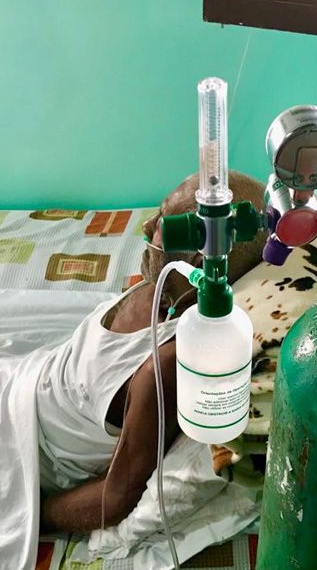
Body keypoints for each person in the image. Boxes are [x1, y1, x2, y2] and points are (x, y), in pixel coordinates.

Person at [37, 171, 266, 533]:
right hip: (19, 386)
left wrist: (29, 514)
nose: (146, 227)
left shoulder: (165, 364)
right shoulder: (161, 286)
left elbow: (113, 500)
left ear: (197, 257)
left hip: (31, 455)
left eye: (162, 221)